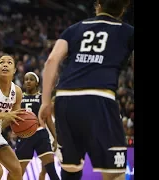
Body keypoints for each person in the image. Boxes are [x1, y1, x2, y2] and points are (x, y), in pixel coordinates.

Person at [38, 0, 133, 180]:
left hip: (65, 99)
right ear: (124, 8)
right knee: (114, 174)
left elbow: (51, 61)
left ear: (97, 5)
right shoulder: (128, 31)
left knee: (71, 169)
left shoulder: (74, 29)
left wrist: (45, 102)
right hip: (99, 97)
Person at [15, 72, 59, 180]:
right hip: (24, 136)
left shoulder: (42, 98)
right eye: (26, 79)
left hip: (40, 134)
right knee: (18, 172)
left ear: (36, 83)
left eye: (31, 79)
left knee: (51, 169)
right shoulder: (19, 98)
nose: (28, 81)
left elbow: (48, 119)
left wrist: (56, 137)